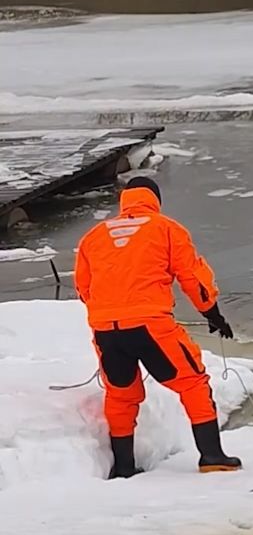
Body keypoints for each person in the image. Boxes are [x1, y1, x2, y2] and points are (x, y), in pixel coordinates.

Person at [74, 177, 241, 479]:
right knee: (192, 381)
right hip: (151, 325)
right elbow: (193, 277)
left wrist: (110, 313)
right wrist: (212, 314)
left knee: (121, 394)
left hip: (106, 329)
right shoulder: (166, 229)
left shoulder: (93, 237)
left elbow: (83, 288)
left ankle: (123, 467)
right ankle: (212, 455)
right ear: (155, 200)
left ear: (123, 201)